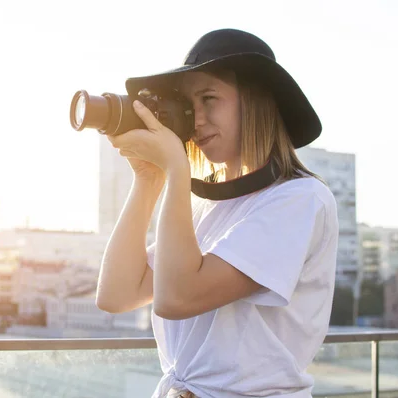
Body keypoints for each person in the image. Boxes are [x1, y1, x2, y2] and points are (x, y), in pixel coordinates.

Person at [95, 28, 339, 398]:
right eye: (190, 104)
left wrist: (177, 170)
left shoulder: (301, 200)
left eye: (209, 98)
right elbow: (116, 294)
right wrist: (148, 180)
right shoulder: (200, 205)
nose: (195, 120)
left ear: (257, 102)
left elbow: (177, 298)